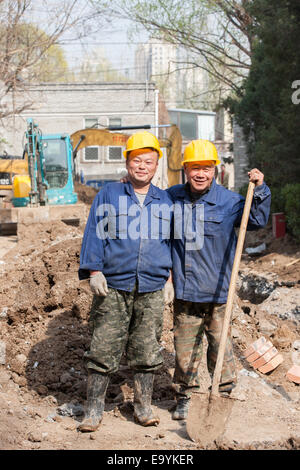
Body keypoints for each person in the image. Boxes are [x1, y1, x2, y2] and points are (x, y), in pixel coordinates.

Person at [166, 139, 271, 420]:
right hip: (186, 291)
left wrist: (260, 189)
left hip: (218, 291)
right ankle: (186, 396)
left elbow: (258, 221)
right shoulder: (171, 198)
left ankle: (222, 394)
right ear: (185, 169)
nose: (200, 174)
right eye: (194, 168)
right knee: (185, 350)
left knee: (220, 346)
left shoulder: (229, 201)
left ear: (215, 169)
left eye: (206, 168)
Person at [77, 131, 174, 432]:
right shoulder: (109, 194)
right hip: (114, 286)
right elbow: (95, 231)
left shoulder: (166, 200)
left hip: (152, 287)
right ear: (127, 163)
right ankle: (93, 411)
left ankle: (143, 407)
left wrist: (170, 278)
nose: (142, 166)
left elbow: (172, 243)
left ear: (156, 165)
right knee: (103, 349)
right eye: (136, 161)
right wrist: (94, 271)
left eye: (148, 161)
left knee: (147, 351)